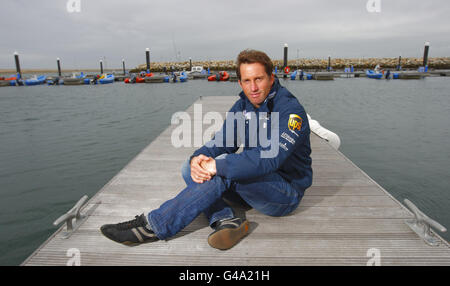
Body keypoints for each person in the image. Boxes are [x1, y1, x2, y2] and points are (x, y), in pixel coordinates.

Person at [100, 49, 313, 250]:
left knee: (223, 170)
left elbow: (269, 159)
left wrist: (217, 165)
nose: (253, 87)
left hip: (285, 193)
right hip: (254, 186)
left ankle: (155, 226)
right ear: (239, 82)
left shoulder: (290, 110)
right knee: (190, 168)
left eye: (259, 79)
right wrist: (197, 158)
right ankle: (225, 219)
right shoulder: (243, 106)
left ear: (271, 78)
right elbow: (221, 142)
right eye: (247, 81)